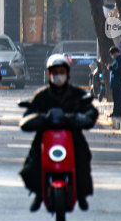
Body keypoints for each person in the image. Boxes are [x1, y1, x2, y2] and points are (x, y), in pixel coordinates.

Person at [19, 54, 98, 212]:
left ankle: (81, 195)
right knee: (31, 166)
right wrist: (42, 118)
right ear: (49, 74)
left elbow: (90, 112)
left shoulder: (77, 94)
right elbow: (27, 117)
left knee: (83, 159)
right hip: (45, 137)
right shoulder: (41, 96)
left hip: (72, 136)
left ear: (68, 73)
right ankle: (39, 194)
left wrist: (74, 118)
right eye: (55, 73)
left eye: (61, 72)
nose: (58, 76)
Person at [108, 45, 121, 118]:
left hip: (117, 81)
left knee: (117, 98)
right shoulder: (117, 59)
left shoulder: (120, 59)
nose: (112, 56)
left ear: (115, 53)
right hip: (115, 82)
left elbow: (119, 70)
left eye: (112, 54)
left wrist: (111, 68)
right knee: (115, 98)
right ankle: (115, 111)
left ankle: (118, 112)